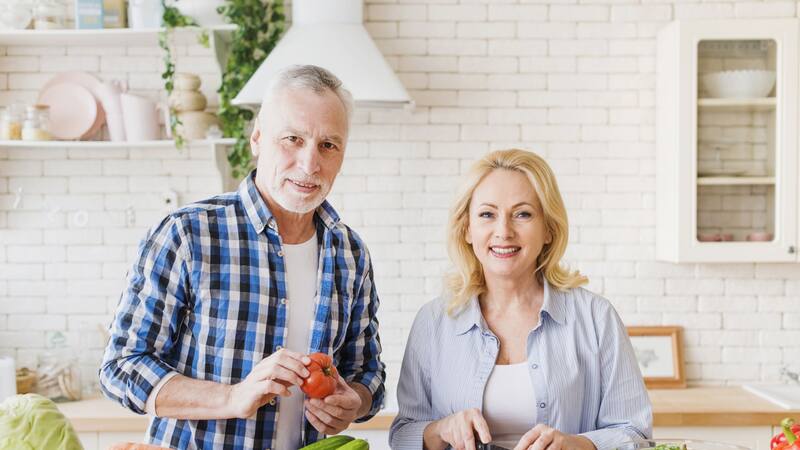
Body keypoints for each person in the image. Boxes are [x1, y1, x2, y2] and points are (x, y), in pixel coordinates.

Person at [99, 65, 385, 450]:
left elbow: (368, 373)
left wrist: (354, 402)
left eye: (328, 146)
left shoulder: (350, 253)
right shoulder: (188, 234)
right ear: (257, 139)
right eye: (292, 139)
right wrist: (231, 397)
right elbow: (121, 368)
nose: (309, 163)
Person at [389, 149, 651, 450]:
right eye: (487, 214)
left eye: (523, 214)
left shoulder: (595, 317)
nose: (503, 231)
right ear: (467, 229)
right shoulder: (434, 321)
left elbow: (636, 432)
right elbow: (403, 434)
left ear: (549, 229)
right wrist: (442, 429)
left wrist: (577, 445)